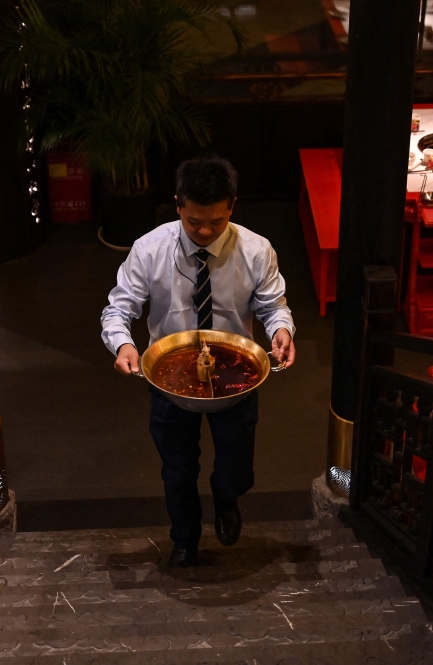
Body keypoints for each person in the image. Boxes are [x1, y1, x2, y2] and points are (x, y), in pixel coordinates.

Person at [101, 157, 296, 567]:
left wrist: (281, 330)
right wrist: (123, 345)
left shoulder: (256, 250)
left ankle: (227, 499)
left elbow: (273, 305)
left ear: (232, 207)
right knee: (177, 469)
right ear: (177, 205)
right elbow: (118, 310)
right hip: (169, 374)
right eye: (194, 223)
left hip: (235, 372)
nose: (205, 232)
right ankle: (185, 538)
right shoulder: (149, 249)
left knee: (236, 463)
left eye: (216, 222)